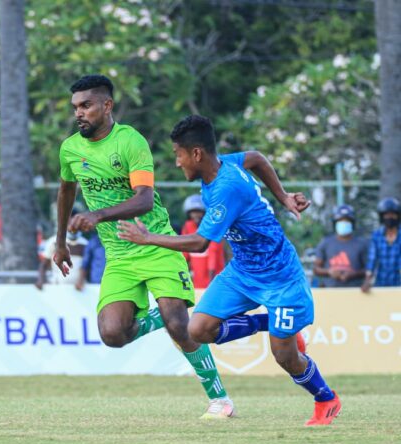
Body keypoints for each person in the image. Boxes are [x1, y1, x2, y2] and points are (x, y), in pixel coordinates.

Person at [118, 115, 340, 426]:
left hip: (280, 277)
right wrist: (284, 196)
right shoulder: (226, 164)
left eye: (178, 154)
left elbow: (200, 244)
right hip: (242, 272)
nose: (177, 162)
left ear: (196, 153)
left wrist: (146, 238)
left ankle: (326, 398)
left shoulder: (227, 188)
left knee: (286, 358)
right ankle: (269, 322)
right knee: (197, 330)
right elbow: (258, 158)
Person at [55, 75, 232, 419]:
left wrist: (98, 214)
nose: (79, 113)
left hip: (156, 245)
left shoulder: (131, 142)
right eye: (76, 107)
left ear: (107, 106)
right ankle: (163, 318)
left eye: (86, 105)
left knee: (181, 326)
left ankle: (220, 399)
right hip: (118, 255)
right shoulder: (70, 149)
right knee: (113, 334)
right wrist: (61, 242)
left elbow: (145, 200)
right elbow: (65, 192)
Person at [313, 205, 368, 288]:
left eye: (347, 221)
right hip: (330, 292)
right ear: (335, 223)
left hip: (355, 293)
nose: (343, 223)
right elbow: (316, 269)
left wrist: (354, 274)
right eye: (340, 221)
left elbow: (368, 269)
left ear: (352, 223)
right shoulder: (325, 243)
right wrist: (329, 272)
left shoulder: (362, 244)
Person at [181, 194, 225, 289]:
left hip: (213, 279)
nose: (196, 215)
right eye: (193, 212)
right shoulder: (188, 226)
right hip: (197, 280)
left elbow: (213, 256)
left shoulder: (211, 227)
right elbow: (184, 253)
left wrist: (211, 284)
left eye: (199, 212)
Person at [362, 197, 401, 291]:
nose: (390, 217)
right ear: (382, 217)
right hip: (381, 282)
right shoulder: (376, 236)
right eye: (386, 215)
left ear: (398, 216)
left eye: (393, 214)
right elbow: (372, 259)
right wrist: (368, 279)